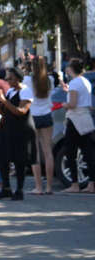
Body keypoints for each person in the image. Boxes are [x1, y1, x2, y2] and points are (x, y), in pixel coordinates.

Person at [0, 67, 36, 201]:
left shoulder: (26, 91)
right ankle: (6, 188)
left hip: (21, 130)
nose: (7, 80)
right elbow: (5, 112)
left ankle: (19, 190)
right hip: (8, 128)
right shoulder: (10, 91)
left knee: (19, 160)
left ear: (17, 78)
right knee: (2, 157)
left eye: (10, 78)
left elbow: (21, 111)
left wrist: (4, 100)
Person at [61, 58, 95, 193]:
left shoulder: (75, 82)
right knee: (88, 152)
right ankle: (92, 184)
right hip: (85, 118)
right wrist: (68, 91)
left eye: (68, 67)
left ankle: (74, 184)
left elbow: (73, 104)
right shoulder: (85, 81)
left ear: (71, 69)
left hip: (75, 119)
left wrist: (64, 105)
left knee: (70, 151)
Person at [28, 57, 55, 195]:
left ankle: (38, 187)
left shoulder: (28, 80)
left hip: (33, 116)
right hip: (46, 115)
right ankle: (49, 187)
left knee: (35, 153)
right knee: (48, 152)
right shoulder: (50, 80)